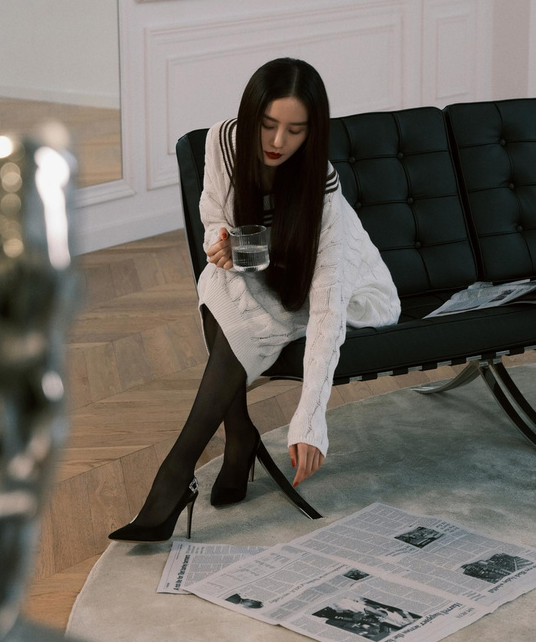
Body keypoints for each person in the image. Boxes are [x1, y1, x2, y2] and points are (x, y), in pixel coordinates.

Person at [109, 58, 400, 544]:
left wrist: (310, 418)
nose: (277, 141)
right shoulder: (223, 142)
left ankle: (179, 474)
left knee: (237, 311)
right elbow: (214, 221)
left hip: (338, 290)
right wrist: (221, 245)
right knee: (216, 281)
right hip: (264, 274)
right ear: (250, 115)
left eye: (295, 131)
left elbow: (328, 306)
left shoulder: (322, 185)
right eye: (267, 125)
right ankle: (236, 433)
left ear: (312, 133)